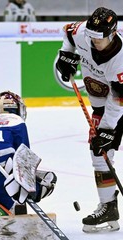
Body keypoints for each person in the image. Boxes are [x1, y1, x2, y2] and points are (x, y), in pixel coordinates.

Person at [55, 7, 122, 233]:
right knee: (99, 153)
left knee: (104, 141)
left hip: (117, 104)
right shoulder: (84, 31)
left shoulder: (121, 61)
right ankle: (108, 206)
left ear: (112, 34)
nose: (93, 42)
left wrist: (107, 129)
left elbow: (118, 100)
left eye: (98, 38)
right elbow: (67, 33)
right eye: (91, 36)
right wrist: (66, 55)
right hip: (101, 104)